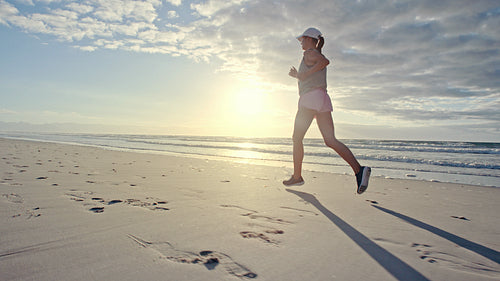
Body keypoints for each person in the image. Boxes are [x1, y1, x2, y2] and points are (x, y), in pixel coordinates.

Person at [283, 27, 371, 194]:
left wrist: (303, 75)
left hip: (310, 99)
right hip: (322, 99)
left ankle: (297, 176)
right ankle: (360, 171)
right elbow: (320, 64)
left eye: (302, 39)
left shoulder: (309, 53)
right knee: (330, 140)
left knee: (297, 138)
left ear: (310, 39)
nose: (301, 42)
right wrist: (300, 76)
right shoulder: (314, 53)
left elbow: (324, 62)